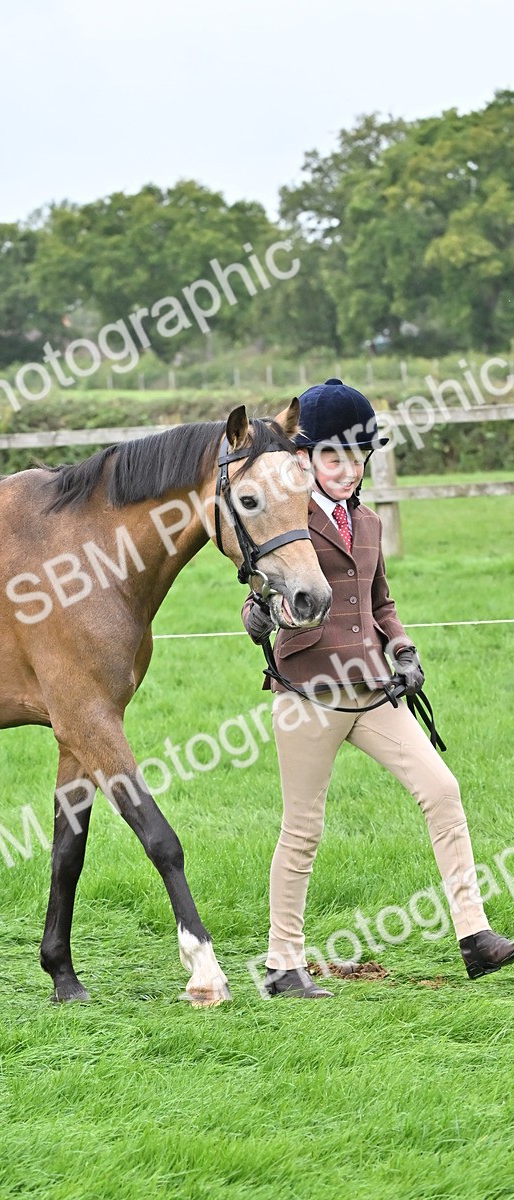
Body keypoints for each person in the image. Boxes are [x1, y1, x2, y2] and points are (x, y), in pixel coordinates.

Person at [242, 378, 514, 998]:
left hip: (371, 691)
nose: (346, 468)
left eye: (357, 455)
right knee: (302, 830)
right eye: (332, 456)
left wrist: (405, 650)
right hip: (308, 694)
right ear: (304, 459)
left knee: (442, 791)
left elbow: (381, 601)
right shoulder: (289, 519)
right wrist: (262, 617)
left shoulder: (366, 522)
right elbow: (260, 601)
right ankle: (284, 963)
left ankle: (475, 936)